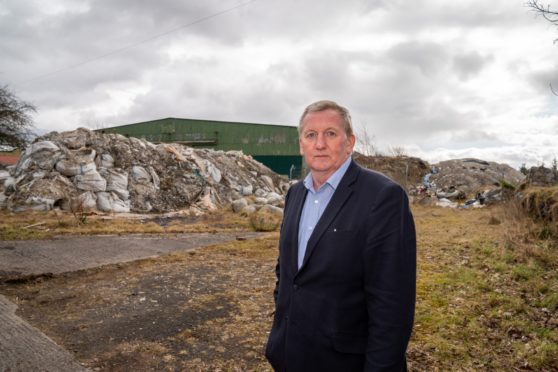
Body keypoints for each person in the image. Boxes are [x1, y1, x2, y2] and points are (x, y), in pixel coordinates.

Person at [265, 100, 416, 371]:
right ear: (301, 144)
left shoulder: (383, 197)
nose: (319, 143)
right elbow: (287, 271)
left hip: (345, 361)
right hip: (290, 354)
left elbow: (392, 305)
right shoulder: (295, 194)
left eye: (331, 133)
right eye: (311, 135)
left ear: (350, 142)